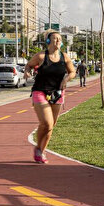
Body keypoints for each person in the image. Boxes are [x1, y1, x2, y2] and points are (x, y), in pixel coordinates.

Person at [24, 30, 75, 164]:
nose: (58, 41)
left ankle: (41, 150)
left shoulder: (65, 57)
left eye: (60, 39)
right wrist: (27, 72)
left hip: (57, 93)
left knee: (51, 126)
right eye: (55, 39)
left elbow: (72, 71)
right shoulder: (41, 56)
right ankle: (39, 148)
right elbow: (28, 66)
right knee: (47, 123)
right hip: (40, 91)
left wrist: (66, 79)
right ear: (48, 41)